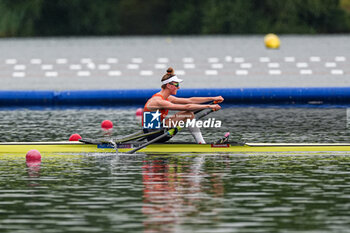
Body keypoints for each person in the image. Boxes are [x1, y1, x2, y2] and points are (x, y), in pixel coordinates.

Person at [142, 67, 223, 144]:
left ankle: (201, 142)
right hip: (153, 135)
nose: (179, 87)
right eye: (176, 85)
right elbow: (187, 107)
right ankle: (201, 143)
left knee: (189, 113)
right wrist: (209, 106)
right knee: (188, 114)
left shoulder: (167, 98)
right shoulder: (157, 101)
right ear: (169, 85)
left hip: (158, 131)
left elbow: (190, 100)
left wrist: (213, 98)